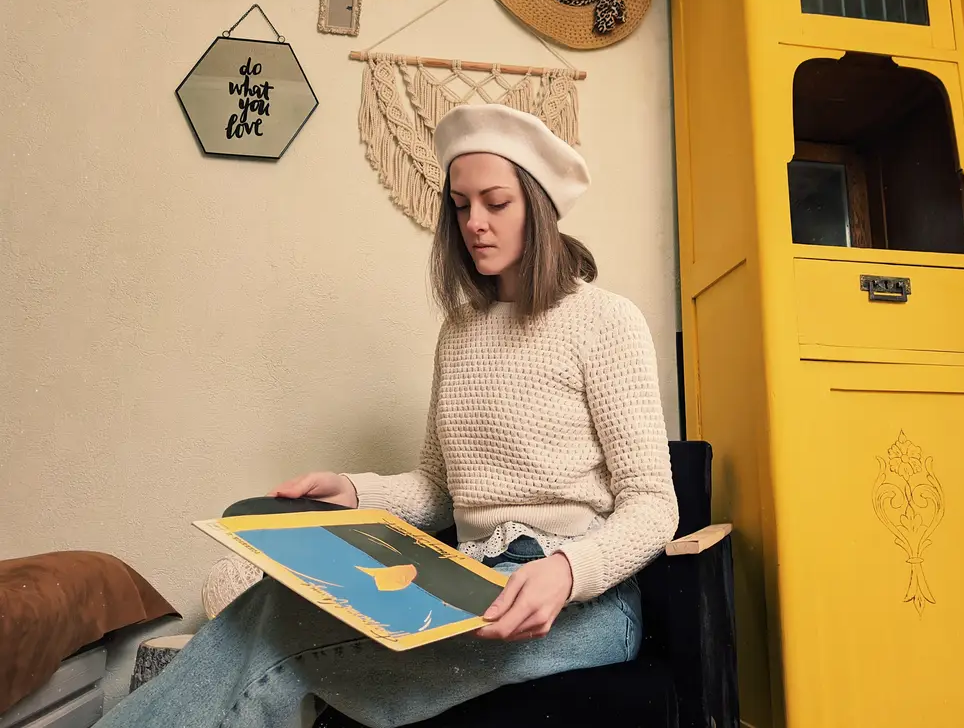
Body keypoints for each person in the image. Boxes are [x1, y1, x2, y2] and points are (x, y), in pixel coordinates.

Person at [96, 103, 679, 728]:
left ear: (537, 206)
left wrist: (566, 573)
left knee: (278, 642)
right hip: (474, 579)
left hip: (585, 608)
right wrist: (353, 491)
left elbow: (653, 504)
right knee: (272, 602)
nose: (474, 223)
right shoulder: (458, 333)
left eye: (495, 203)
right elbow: (436, 488)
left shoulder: (606, 322)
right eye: (460, 205)